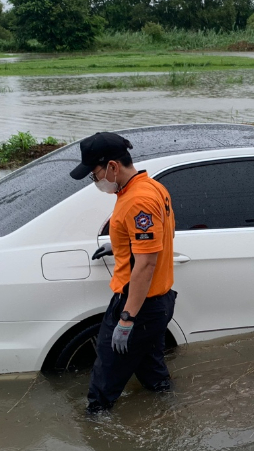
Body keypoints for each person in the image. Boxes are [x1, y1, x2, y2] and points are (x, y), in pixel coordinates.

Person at [69, 132, 177, 413]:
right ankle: (168, 412)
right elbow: (153, 239)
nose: (96, 182)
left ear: (113, 167)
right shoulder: (150, 187)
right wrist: (119, 246)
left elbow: (146, 264)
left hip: (138, 305)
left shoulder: (137, 201)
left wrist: (127, 318)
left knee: (104, 380)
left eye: (95, 175)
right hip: (156, 303)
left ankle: (96, 430)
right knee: (151, 370)